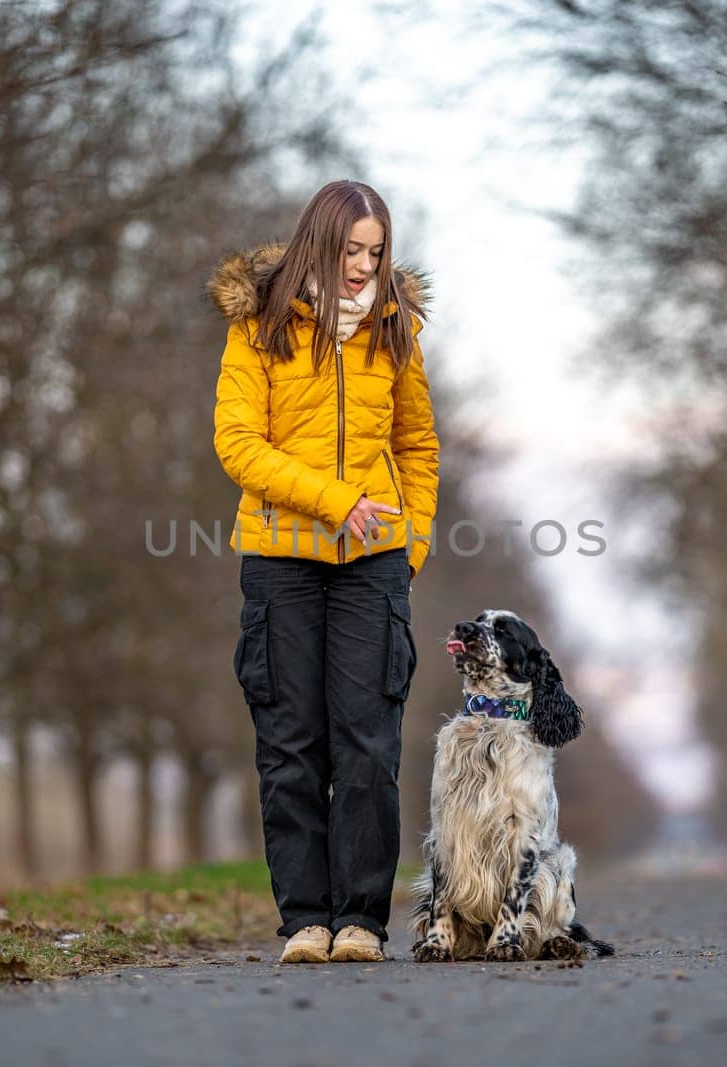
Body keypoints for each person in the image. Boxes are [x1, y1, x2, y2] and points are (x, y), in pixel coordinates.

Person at [208, 179, 440, 963]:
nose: (362, 267)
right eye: (350, 250)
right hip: (280, 564)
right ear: (320, 241)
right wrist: (336, 500)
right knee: (292, 745)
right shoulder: (260, 325)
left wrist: (410, 547)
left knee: (369, 745)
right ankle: (306, 918)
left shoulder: (395, 328)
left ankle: (362, 923)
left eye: (375, 252)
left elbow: (417, 446)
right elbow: (239, 443)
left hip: (375, 565)